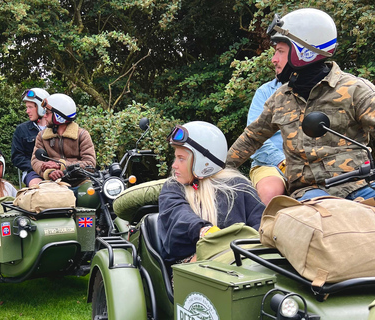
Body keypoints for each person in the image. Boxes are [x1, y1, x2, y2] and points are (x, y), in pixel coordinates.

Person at [226, 8, 375, 201]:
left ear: (304, 52)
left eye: (280, 51)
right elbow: (251, 139)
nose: (274, 59)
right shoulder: (279, 98)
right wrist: (214, 172)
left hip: (360, 184)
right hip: (311, 192)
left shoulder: (356, 90)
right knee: (317, 223)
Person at [158, 121, 265, 264]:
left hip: (242, 260)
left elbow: (261, 223)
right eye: (176, 157)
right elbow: (178, 213)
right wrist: (203, 230)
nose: (174, 165)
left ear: (204, 161)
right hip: (192, 267)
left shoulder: (238, 185)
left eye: (181, 159)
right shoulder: (173, 187)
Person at [247, 42, 289, 205]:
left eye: (280, 52)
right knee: (271, 190)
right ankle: (261, 229)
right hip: (271, 164)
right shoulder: (264, 93)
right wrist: (285, 165)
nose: (273, 60)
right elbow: (255, 141)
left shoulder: (323, 91)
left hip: (314, 163)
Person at [31, 93, 96, 184]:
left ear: (59, 116)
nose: (44, 116)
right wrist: (50, 172)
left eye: (47, 113)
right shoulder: (42, 136)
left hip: (79, 180)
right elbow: (35, 160)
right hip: (51, 182)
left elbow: (90, 163)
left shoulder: (82, 135)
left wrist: (61, 165)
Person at [11, 88, 50, 187]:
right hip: (32, 172)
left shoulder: (57, 129)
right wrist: (38, 167)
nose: (27, 111)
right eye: (26, 107)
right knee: (38, 188)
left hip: (57, 170)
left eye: (30, 107)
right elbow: (17, 157)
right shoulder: (21, 129)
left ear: (42, 108)